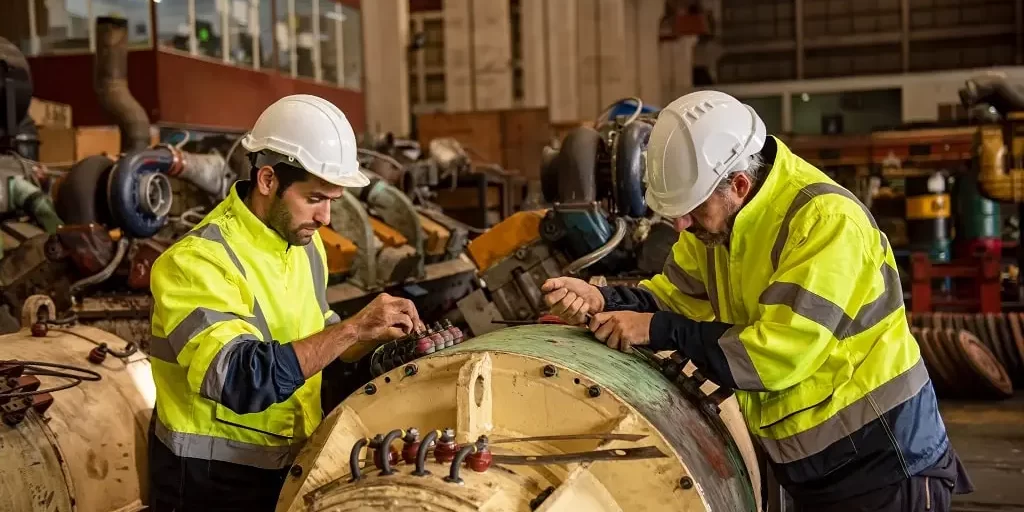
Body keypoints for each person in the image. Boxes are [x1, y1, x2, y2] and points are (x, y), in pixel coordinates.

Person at [542, 91, 973, 511]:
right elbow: (673, 300)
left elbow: (772, 358)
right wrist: (603, 298)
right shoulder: (712, 228)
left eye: (691, 209)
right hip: (811, 471)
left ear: (739, 185)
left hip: (884, 469)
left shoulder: (824, 223)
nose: (680, 223)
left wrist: (653, 329)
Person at [147, 94, 425, 511]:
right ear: (267, 180)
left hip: (292, 465)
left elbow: (318, 333)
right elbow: (237, 380)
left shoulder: (304, 249)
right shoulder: (196, 261)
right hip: (211, 483)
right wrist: (352, 328)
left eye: (333, 200)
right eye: (315, 198)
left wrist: (377, 337)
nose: (327, 217)